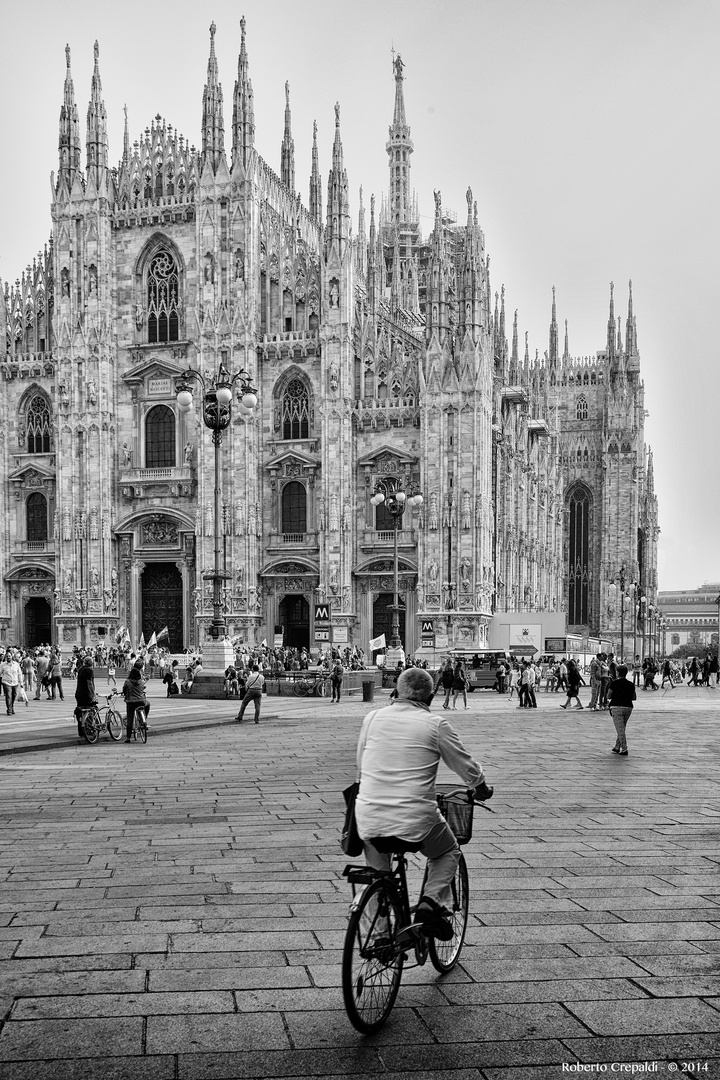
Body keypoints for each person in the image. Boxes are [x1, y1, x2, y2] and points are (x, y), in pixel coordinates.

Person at [355, 668, 493, 940]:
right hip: (416, 816)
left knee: (376, 874)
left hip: (368, 814)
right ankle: (430, 904)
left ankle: (381, 937)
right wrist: (481, 789)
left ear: (395, 693)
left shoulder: (371, 718)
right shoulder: (436, 724)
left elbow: (360, 764)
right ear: (430, 698)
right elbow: (466, 767)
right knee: (448, 851)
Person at [607, 663, 636, 756]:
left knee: (620, 729)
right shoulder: (630, 684)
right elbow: (634, 697)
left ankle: (624, 748)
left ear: (618, 673)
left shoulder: (614, 683)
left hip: (616, 707)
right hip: (628, 707)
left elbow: (609, 696)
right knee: (621, 728)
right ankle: (617, 746)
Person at [121, 663, 151, 743]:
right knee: (148, 704)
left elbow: (124, 690)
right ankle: (145, 718)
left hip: (130, 702)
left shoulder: (127, 681)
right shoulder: (141, 681)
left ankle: (128, 738)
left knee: (130, 718)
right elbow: (142, 688)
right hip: (141, 701)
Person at [74, 656, 98, 739]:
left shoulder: (81, 669)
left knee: (81, 712)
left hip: (79, 693)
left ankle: (81, 731)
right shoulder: (89, 670)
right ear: (91, 663)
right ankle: (89, 730)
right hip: (86, 694)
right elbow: (89, 683)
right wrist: (93, 694)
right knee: (91, 711)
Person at [0, 651, 22, 715]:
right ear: (5, 657)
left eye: (9, 656)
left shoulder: (16, 664)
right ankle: (9, 710)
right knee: (8, 696)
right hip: (6, 682)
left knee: (14, 695)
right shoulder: (2, 665)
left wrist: (21, 683)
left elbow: (19, 674)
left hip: (15, 682)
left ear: (12, 656)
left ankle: (11, 706)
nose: (8, 657)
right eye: (7, 656)